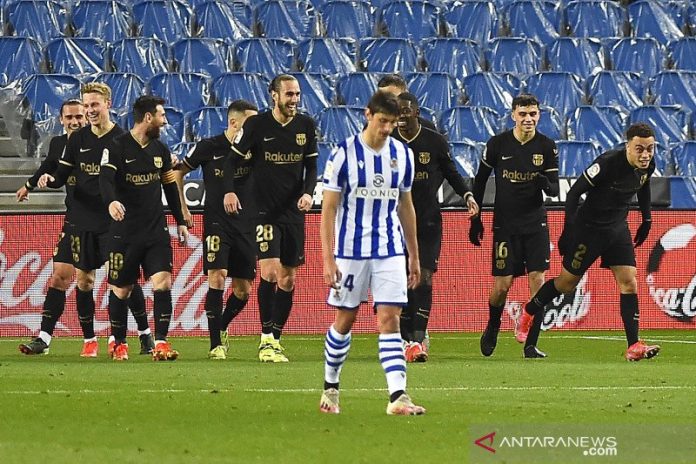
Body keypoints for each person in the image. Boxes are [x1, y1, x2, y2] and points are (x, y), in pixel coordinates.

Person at [21, 84, 154, 357]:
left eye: (95, 105)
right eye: (87, 105)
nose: (90, 111)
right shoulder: (76, 140)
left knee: (123, 280)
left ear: (108, 103)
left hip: (113, 222)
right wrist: (47, 181)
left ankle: (143, 334)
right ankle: (88, 340)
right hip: (81, 221)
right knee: (83, 281)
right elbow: (61, 173)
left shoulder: (122, 140)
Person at [319, 91, 425, 416]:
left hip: (390, 249)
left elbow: (406, 205)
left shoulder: (402, 154)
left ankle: (397, 396)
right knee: (345, 319)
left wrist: (414, 255)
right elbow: (329, 209)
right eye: (382, 121)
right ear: (368, 115)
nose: (387, 129)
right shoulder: (344, 154)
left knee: (390, 318)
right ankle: (331, 386)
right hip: (351, 250)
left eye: (392, 123)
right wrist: (327, 258)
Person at [516, 123, 661, 361]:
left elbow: (643, 186)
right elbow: (574, 194)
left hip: (617, 229)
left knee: (629, 282)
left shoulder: (648, 165)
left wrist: (646, 218)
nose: (645, 155)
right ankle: (529, 310)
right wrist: (569, 231)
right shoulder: (607, 163)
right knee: (566, 284)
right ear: (628, 147)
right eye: (639, 149)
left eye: (650, 149)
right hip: (589, 230)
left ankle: (634, 345)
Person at [223, 74, 318, 363]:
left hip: (293, 212)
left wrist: (309, 193)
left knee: (288, 280)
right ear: (274, 95)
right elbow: (230, 160)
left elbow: (311, 166)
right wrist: (228, 191)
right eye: (289, 94)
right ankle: (265, 340)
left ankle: (276, 337)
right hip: (263, 211)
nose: (295, 100)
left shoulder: (306, 126)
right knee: (270, 273)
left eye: (297, 94)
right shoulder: (256, 125)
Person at [469, 94, 559, 358]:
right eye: (523, 114)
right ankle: (493, 324)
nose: (528, 119)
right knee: (502, 285)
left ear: (539, 115)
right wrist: (477, 217)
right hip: (505, 224)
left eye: (533, 114)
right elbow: (480, 180)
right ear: (513, 115)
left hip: (535, 222)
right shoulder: (498, 144)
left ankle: (531, 344)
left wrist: (544, 183)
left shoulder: (547, 146)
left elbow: (553, 188)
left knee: (538, 281)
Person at [99, 95, 188, 361]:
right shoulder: (116, 147)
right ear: (148, 118)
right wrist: (112, 201)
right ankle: (120, 343)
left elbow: (170, 186)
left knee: (163, 283)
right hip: (124, 233)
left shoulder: (160, 150)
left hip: (155, 232)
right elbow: (105, 180)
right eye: (162, 116)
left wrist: (180, 220)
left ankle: (160, 342)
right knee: (122, 290)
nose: (165, 121)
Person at [391, 92, 479, 362]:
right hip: (393, 222)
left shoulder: (434, 141)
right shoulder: (387, 143)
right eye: (398, 112)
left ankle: (418, 337)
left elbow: (452, 172)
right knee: (401, 281)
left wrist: (467, 195)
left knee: (425, 277)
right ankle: (404, 338)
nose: (403, 116)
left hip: (428, 220)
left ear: (417, 112)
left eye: (407, 110)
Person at [174, 100, 258, 360]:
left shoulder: (255, 149)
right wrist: (183, 210)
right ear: (233, 122)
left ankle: (221, 325)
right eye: (250, 122)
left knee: (243, 291)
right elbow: (178, 174)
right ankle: (215, 345)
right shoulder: (209, 147)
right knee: (217, 275)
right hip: (216, 224)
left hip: (247, 226)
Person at [17, 99, 89, 355]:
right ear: (61, 120)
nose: (74, 121)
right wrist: (29, 184)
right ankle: (44, 338)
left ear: (87, 116)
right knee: (59, 275)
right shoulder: (59, 144)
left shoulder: (101, 143)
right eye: (69, 117)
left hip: (105, 221)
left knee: (121, 280)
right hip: (75, 219)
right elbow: (49, 166)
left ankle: (145, 336)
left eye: (79, 116)